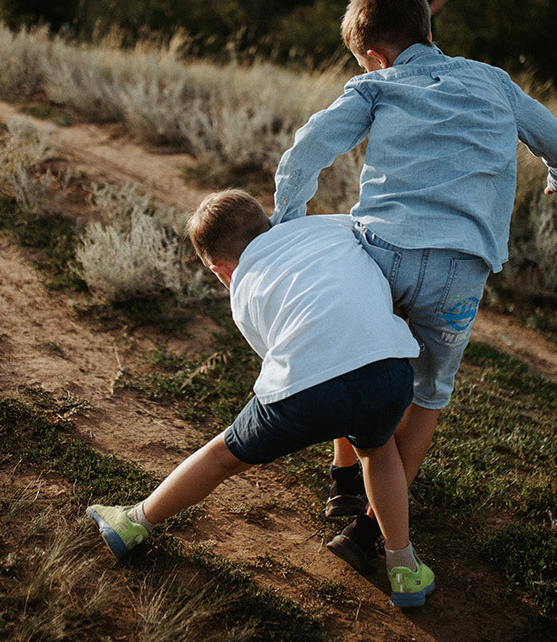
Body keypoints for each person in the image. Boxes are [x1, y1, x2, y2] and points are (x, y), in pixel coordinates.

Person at [269, 0, 557, 571]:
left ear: (372, 54)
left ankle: (346, 479)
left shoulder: (376, 84)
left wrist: (287, 213)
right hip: (460, 271)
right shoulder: (494, 80)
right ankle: (369, 531)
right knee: (428, 393)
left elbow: (311, 144)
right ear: (427, 30)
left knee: (358, 357)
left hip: (383, 251)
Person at [86, 189, 437, 608]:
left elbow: (282, 359)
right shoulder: (331, 225)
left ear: (219, 270)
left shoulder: (242, 289)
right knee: (379, 454)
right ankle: (404, 568)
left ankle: (132, 522)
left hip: (307, 389)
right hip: (389, 367)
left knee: (222, 456)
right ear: (265, 223)